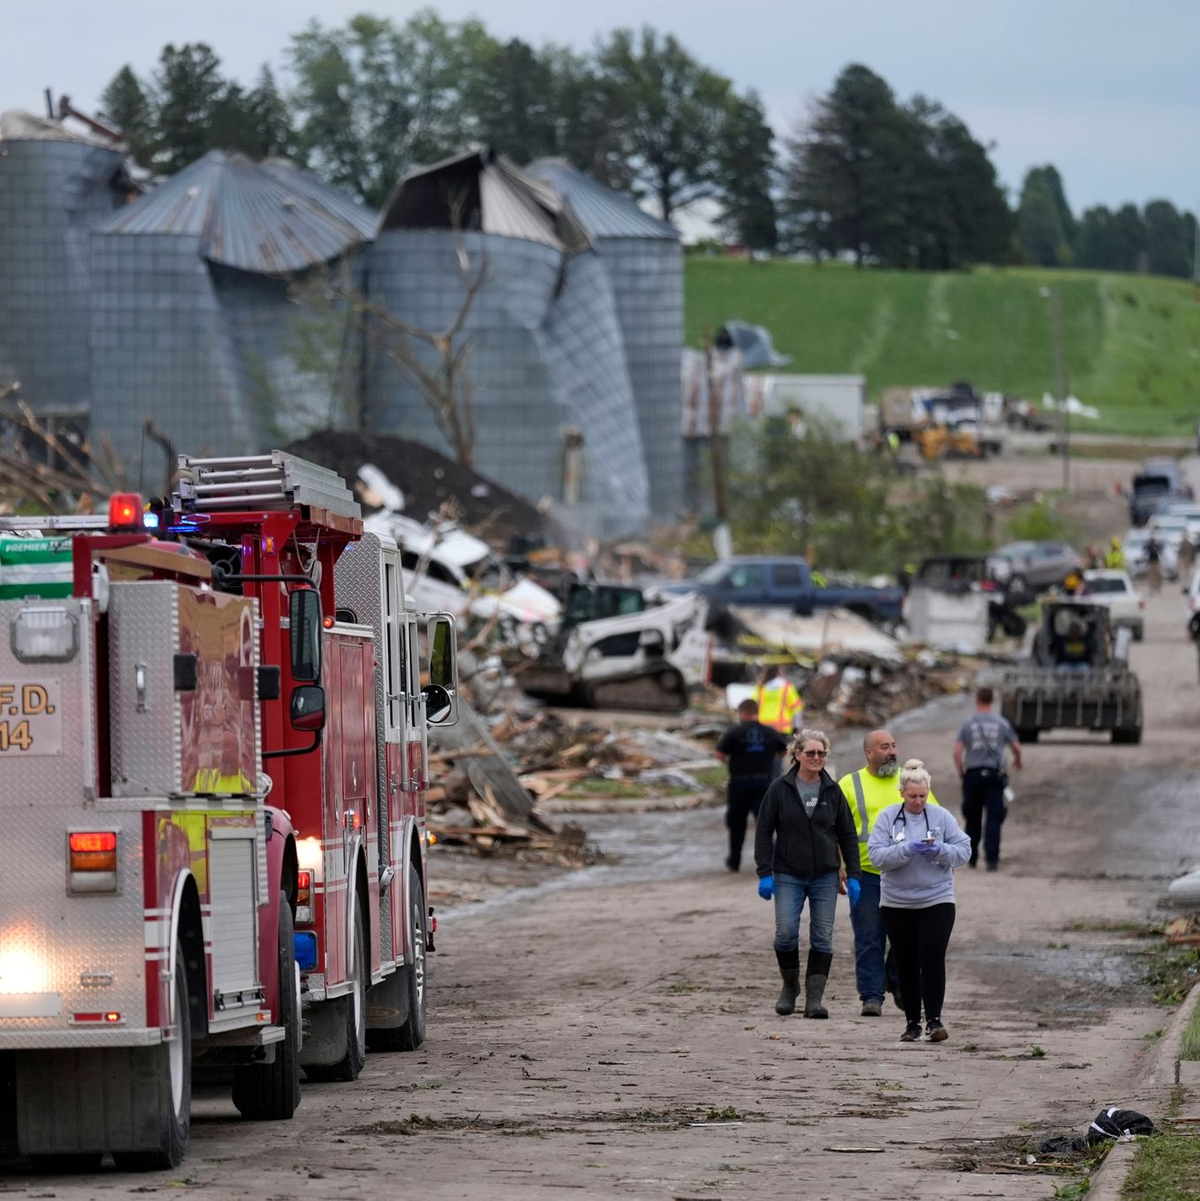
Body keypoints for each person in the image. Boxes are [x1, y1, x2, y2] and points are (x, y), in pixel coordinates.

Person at [754, 728, 861, 1019]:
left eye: (822, 753)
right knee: (786, 933)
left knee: (822, 937)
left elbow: (847, 834)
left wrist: (854, 874)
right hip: (788, 872)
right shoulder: (779, 789)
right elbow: (764, 831)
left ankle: (814, 1000)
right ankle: (790, 987)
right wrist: (764, 872)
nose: (817, 758)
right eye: (811, 753)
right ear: (797, 755)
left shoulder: (832, 790)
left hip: (825, 874)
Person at [868, 759, 972, 1042]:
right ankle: (912, 1022)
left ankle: (934, 1021)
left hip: (937, 898)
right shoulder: (888, 818)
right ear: (901, 792)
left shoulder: (941, 817)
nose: (918, 801)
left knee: (933, 956)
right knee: (906, 961)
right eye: (913, 796)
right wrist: (905, 850)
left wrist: (940, 851)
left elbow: (964, 851)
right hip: (896, 902)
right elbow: (876, 857)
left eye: (923, 796)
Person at [839, 729, 941, 1017]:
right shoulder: (850, 784)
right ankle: (871, 996)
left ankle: (895, 980)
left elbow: (936, 819)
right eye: (885, 747)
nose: (893, 752)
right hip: (866, 873)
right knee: (869, 935)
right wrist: (839, 865)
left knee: (907, 935)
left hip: (906, 874)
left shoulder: (910, 781)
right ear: (869, 753)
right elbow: (834, 827)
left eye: (894, 746)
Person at [715, 699, 789, 872]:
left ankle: (734, 861)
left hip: (739, 783)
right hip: (763, 782)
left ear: (742, 712)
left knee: (736, 823)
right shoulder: (770, 732)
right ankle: (769, 862)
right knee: (765, 824)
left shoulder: (734, 733)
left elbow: (719, 754)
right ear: (757, 712)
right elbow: (783, 750)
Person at [953, 687, 1022, 871]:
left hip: (973, 776)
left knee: (972, 817)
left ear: (977, 700)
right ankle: (991, 859)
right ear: (993, 701)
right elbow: (1016, 746)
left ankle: (972, 857)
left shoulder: (968, 723)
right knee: (994, 818)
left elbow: (957, 752)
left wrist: (961, 771)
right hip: (994, 776)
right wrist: (1018, 761)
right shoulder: (1001, 723)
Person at [754, 665, 804, 735]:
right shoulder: (787, 687)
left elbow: (753, 707)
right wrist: (796, 726)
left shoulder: (761, 688)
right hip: (782, 728)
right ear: (780, 672)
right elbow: (796, 708)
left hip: (763, 727)